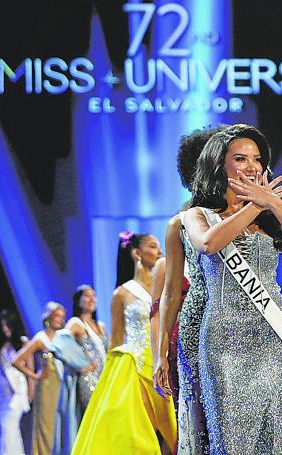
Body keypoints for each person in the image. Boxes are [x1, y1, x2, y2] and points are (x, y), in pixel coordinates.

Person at [182, 125, 282, 453]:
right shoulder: (198, 215)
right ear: (219, 165)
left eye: (257, 159)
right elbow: (209, 243)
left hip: (274, 339)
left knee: (274, 440)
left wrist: (275, 205)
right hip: (224, 340)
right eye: (241, 158)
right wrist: (255, 207)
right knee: (231, 442)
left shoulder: (269, 221)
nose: (252, 166)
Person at [72, 232, 176, 455]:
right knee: (146, 433)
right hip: (137, 368)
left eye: (159, 246)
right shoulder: (122, 294)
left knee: (175, 433)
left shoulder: (167, 285)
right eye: (152, 246)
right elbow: (116, 341)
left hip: (168, 362)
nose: (159, 251)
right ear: (136, 253)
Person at [154, 125, 225, 454]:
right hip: (200, 322)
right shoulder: (184, 219)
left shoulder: (247, 211)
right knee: (203, 416)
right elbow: (170, 291)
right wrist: (160, 353)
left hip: (248, 321)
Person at [13, 301, 66, 455]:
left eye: (62, 316)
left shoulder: (63, 338)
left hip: (62, 388)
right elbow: (16, 360)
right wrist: (35, 376)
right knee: (46, 427)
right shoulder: (40, 338)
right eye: (57, 315)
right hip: (47, 389)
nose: (60, 319)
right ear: (48, 317)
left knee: (60, 428)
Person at [0, 310, 30, 455]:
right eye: (3, 325)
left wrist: (30, 392)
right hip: (0, 391)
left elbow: (30, 369)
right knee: (6, 428)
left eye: (8, 325)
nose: (5, 328)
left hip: (17, 392)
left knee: (9, 427)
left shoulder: (24, 342)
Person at [65, 285, 107, 414]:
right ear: (78, 301)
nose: (92, 299)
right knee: (94, 418)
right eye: (87, 296)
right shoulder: (75, 323)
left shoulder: (101, 326)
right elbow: (61, 344)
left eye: (94, 296)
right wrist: (79, 365)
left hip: (106, 378)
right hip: (90, 380)